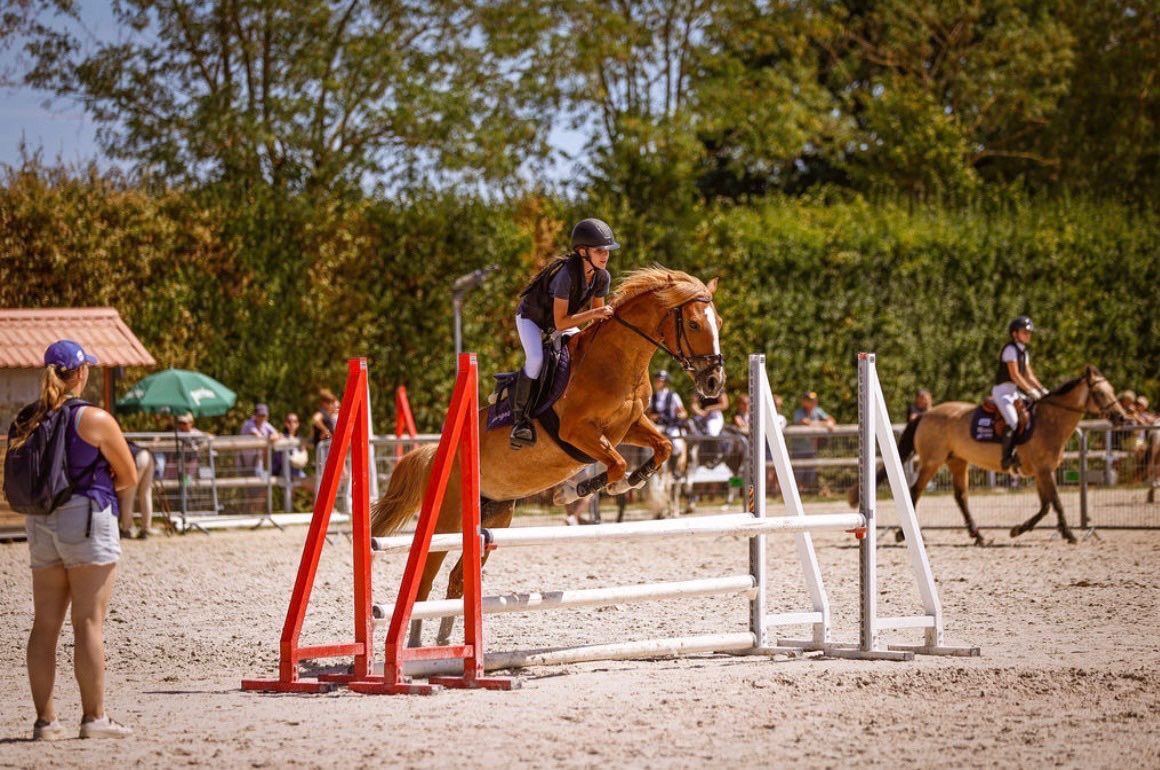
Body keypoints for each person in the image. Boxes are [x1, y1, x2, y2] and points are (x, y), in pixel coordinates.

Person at [16, 340, 136, 739]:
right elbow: (130, 475)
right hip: (85, 518)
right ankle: (94, 718)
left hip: (40, 523)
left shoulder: (27, 419)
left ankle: (45, 722)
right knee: (88, 622)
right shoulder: (95, 419)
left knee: (44, 624)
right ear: (81, 373)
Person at [510, 218, 618, 449]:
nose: (605, 255)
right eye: (599, 250)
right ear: (582, 251)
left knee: (582, 351)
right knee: (536, 359)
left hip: (562, 320)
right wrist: (597, 313)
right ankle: (521, 421)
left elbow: (596, 317)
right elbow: (561, 323)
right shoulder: (566, 276)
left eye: (607, 250)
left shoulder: (601, 276)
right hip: (533, 320)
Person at [991, 316, 1047, 470]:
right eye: (1025, 332)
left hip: (1013, 392)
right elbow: (1015, 375)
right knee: (1013, 421)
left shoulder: (1024, 352)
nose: (1028, 335)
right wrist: (1030, 391)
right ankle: (1006, 458)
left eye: (1029, 332)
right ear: (1015, 334)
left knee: (1031, 413)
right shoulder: (1010, 350)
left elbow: (1029, 376)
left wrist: (1042, 390)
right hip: (1002, 391)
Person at [238, 404, 282, 512]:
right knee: (249, 492)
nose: (262, 418)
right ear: (255, 415)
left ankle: (256, 512)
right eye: (260, 415)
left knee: (262, 487)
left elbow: (277, 434)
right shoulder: (248, 424)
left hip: (258, 464)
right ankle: (249, 513)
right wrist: (269, 439)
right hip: (244, 464)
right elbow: (258, 436)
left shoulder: (265, 425)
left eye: (264, 416)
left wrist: (273, 437)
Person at [791, 390, 835, 492]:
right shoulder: (799, 412)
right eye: (810, 400)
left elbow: (831, 420)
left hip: (812, 448)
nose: (813, 402)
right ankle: (797, 492)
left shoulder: (817, 411)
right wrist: (824, 424)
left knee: (810, 472)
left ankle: (806, 493)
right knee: (799, 472)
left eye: (814, 400)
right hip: (799, 449)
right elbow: (805, 422)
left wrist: (828, 422)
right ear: (804, 401)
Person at [117, 443, 156, 539]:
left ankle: (126, 529)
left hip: (137, 457)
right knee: (146, 494)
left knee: (128, 495)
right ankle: (146, 528)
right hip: (148, 455)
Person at [271, 412, 307, 481]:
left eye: (294, 421)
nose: (292, 424)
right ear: (286, 423)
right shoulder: (282, 436)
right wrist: (276, 436)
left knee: (315, 484)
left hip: (297, 471)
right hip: (283, 471)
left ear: (298, 424)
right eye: (289, 421)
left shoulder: (299, 439)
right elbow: (273, 437)